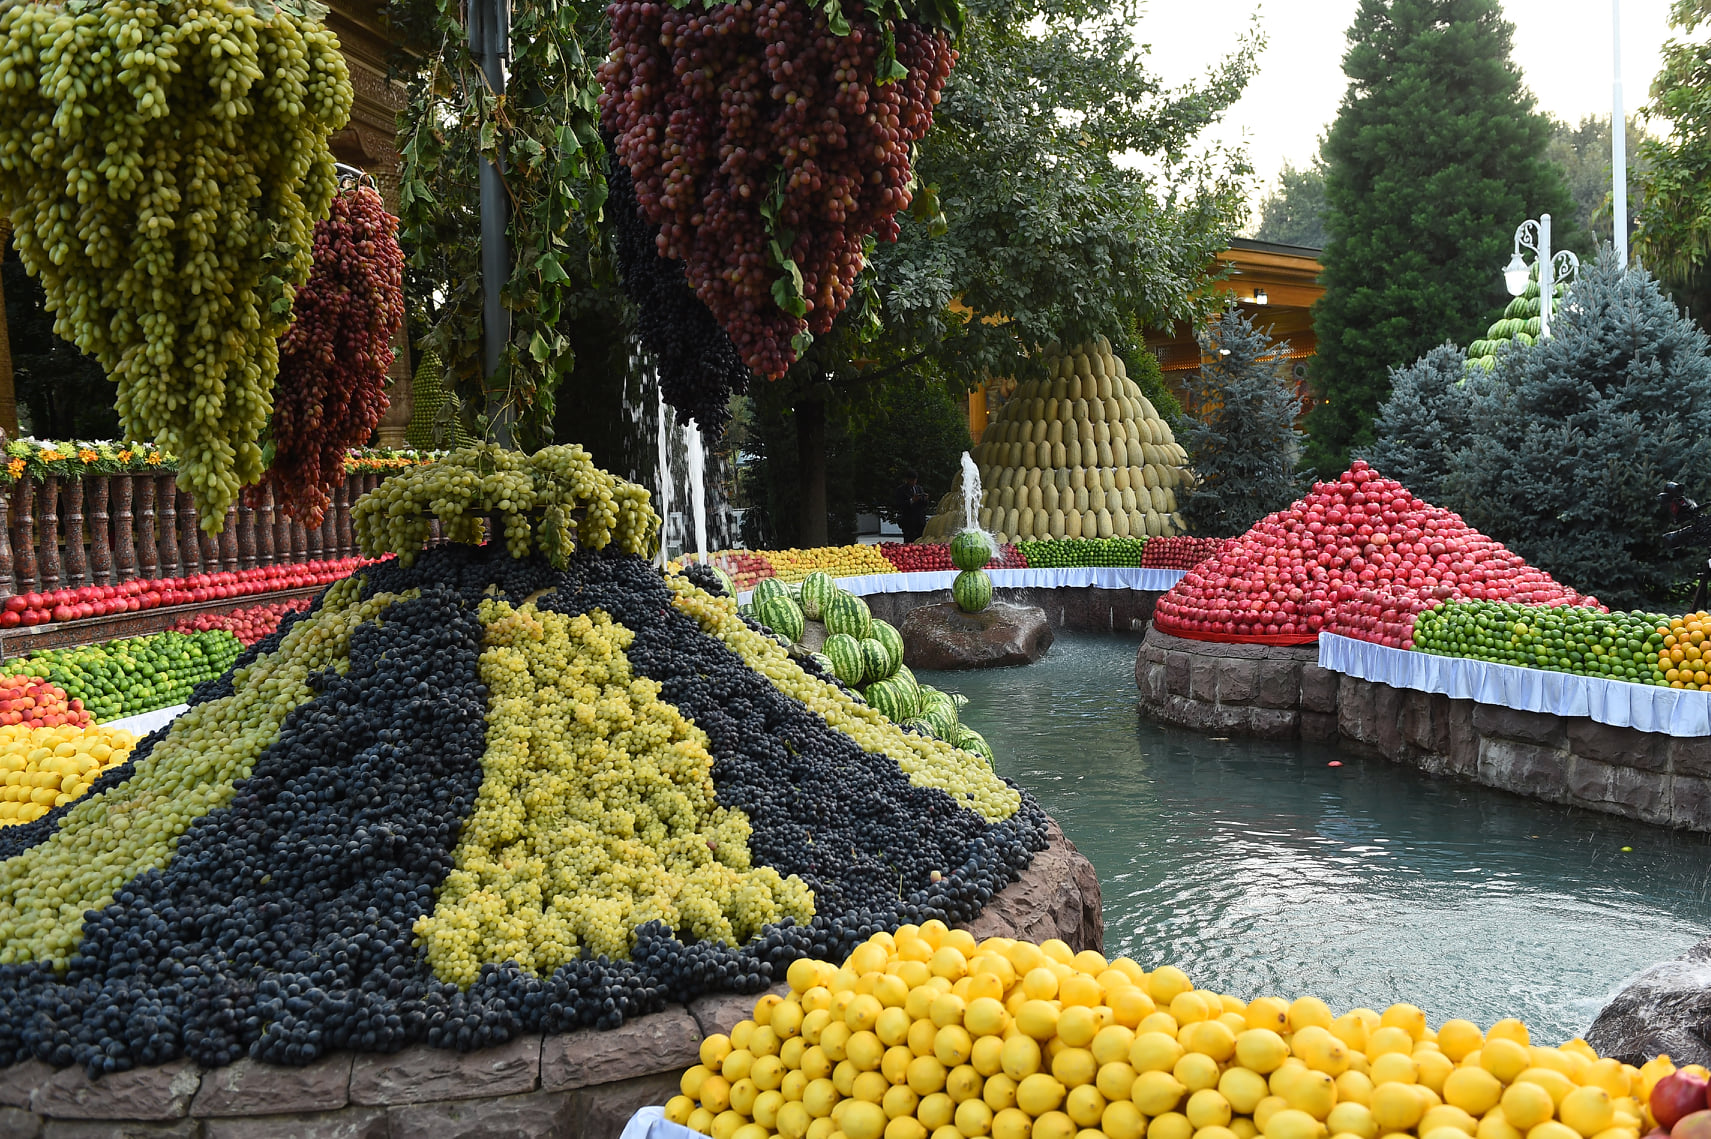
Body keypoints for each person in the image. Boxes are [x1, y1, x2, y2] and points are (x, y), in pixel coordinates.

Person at [894, 470, 930, 544]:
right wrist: (911, 500)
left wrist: (925, 499)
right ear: (907, 479)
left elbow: (924, 505)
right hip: (908, 522)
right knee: (909, 542)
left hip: (920, 521)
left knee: (920, 542)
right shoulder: (901, 490)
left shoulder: (919, 488)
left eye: (915, 480)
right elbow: (899, 505)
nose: (913, 482)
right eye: (911, 480)